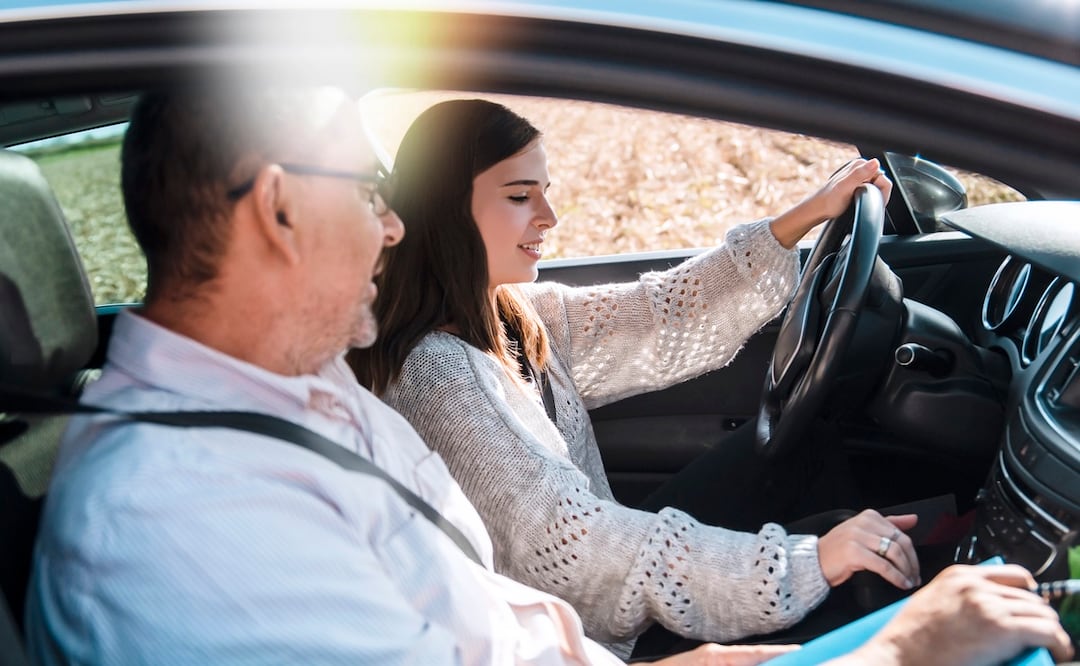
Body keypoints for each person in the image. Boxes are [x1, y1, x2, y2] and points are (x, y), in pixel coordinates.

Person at [22, 86, 1072, 666]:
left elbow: (664, 314)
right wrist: (883, 650)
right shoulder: (177, 524)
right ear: (280, 207)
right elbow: (573, 550)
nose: (388, 227)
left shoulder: (305, 387)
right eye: (369, 192)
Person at [349, 98, 922, 656]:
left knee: (812, 446)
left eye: (545, 193)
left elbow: (660, 311)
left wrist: (807, 214)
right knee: (846, 566)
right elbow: (579, 545)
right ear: (446, 209)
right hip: (582, 632)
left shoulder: (513, 310)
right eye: (521, 196)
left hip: (604, 570)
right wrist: (801, 564)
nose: (548, 217)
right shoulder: (434, 377)